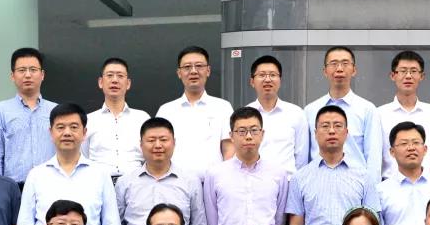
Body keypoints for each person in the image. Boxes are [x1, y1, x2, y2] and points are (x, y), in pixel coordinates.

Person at [15, 103, 121, 225]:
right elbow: (25, 224)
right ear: (51, 132)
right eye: (60, 127)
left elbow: (111, 223)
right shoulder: (36, 175)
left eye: (74, 127)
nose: (67, 133)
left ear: (84, 133)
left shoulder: (100, 174)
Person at [287, 105, 380, 225]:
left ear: (346, 133)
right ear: (315, 133)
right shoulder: (300, 178)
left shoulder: (363, 177)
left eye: (337, 126)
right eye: (325, 126)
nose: (331, 131)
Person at [115, 117, 209, 225]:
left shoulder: (190, 181)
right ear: (141, 144)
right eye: (151, 140)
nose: (158, 145)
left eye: (163, 140)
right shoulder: (125, 182)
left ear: (174, 143)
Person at [303, 46, 383, 184]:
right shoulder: (310, 110)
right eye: (333, 64)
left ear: (354, 70)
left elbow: (373, 156)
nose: (339, 69)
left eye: (345, 63)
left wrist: (371, 190)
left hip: (355, 184)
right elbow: (305, 156)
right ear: (325, 71)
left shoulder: (367, 109)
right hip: (318, 183)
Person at [155, 45, 234, 177]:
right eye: (187, 67)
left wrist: (224, 179)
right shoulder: (166, 110)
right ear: (179, 73)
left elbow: (229, 148)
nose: (193, 71)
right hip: (175, 183)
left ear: (208, 71)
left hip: (212, 183)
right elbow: (158, 149)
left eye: (199, 66)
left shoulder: (223, 107)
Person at [0, 47, 58, 186]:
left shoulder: (56, 110)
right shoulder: (0, 110)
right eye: (21, 70)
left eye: (33, 70)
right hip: (13, 187)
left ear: (42, 75)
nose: (27, 75)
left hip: (51, 185)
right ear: (12, 76)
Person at [376, 51, 430, 179]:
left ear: (422, 76)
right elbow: (374, 156)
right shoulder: (379, 113)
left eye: (413, 71)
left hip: (427, 184)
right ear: (393, 75)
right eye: (403, 71)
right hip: (390, 183)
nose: (408, 76)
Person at [82, 57, 150, 180]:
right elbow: (83, 155)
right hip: (99, 183)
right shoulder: (88, 120)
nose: (115, 80)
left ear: (128, 83)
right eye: (109, 75)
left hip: (136, 183)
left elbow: (150, 155)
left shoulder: (142, 118)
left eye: (120, 76)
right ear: (100, 82)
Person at [246, 54, 309, 174]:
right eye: (262, 75)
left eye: (273, 75)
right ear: (252, 82)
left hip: (288, 181)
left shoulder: (296, 114)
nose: (267, 79)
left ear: (280, 81)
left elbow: (301, 157)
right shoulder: (244, 115)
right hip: (253, 180)